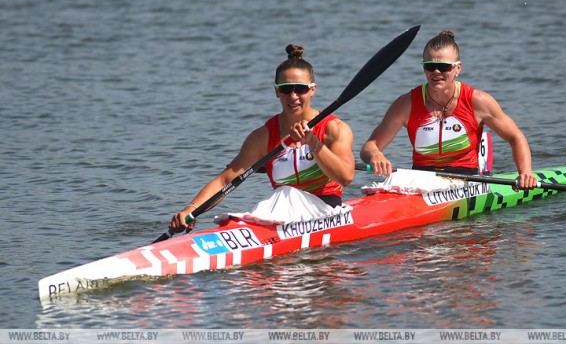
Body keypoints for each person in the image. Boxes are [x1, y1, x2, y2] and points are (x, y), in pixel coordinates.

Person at [169, 44, 355, 233]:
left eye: (300, 89)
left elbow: (346, 177)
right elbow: (225, 181)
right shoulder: (262, 137)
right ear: (276, 91)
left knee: (286, 192)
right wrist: (191, 210)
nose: (293, 96)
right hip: (285, 211)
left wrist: (313, 141)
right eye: (285, 89)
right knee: (285, 194)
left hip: (326, 213)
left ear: (313, 89)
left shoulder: (334, 129)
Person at [360, 30, 537, 189]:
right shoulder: (406, 104)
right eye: (430, 66)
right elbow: (369, 146)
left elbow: (516, 137)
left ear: (457, 68)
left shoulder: (478, 101)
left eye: (444, 67)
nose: (436, 72)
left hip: (466, 180)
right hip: (421, 179)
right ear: (423, 68)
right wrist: (375, 155)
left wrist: (525, 172)